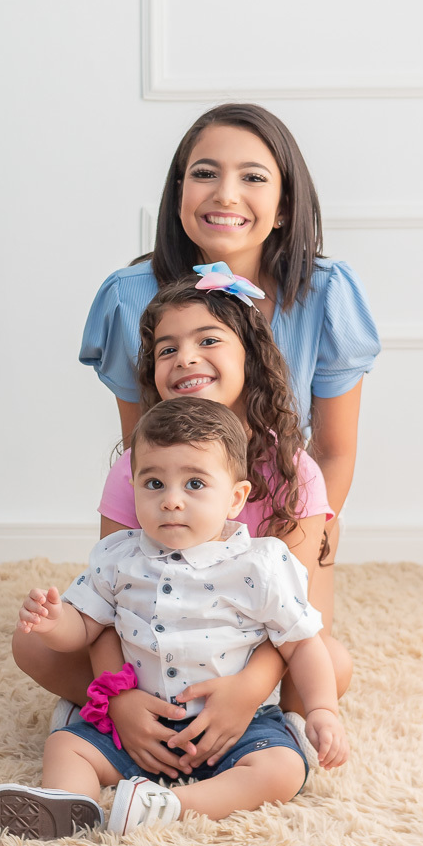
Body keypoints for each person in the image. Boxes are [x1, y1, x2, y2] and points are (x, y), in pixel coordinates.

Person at [14, 274, 351, 779]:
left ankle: (258, 730)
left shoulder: (294, 472)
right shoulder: (136, 468)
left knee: (331, 661)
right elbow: (110, 607)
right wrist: (118, 697)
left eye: (208, 340)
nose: (186, 358)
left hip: (247, 659)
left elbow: (293, 620)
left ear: (251, 357)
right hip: (148, 653)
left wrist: (244, 694)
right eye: (167, 349)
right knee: (32, 641)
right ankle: (113, 719)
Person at [0, 400, 348, 840]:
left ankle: (169, 808)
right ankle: (69, 807)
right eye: (154, 483)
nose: (171, 501)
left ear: (235, 498)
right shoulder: (119, 557)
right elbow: (87, 627)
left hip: (234, 726)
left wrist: (323, 710)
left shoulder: (260, 564)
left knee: (282, 769)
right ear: (133, 488)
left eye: (194, 484)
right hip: (138, 720)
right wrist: (54, 622)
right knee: (66, 745)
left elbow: (302, 643)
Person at [79, 102, 380, 633]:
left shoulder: (327, 293)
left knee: (307, 664)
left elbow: (334, 452)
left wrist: (292, 545)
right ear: (178, 193)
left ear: (284, 206)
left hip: (285, 514)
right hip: (178, 517)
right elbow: (143, 449)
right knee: (120, 642)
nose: (225, 194)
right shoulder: (128, 298)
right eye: (205, 173)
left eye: (253, 177)